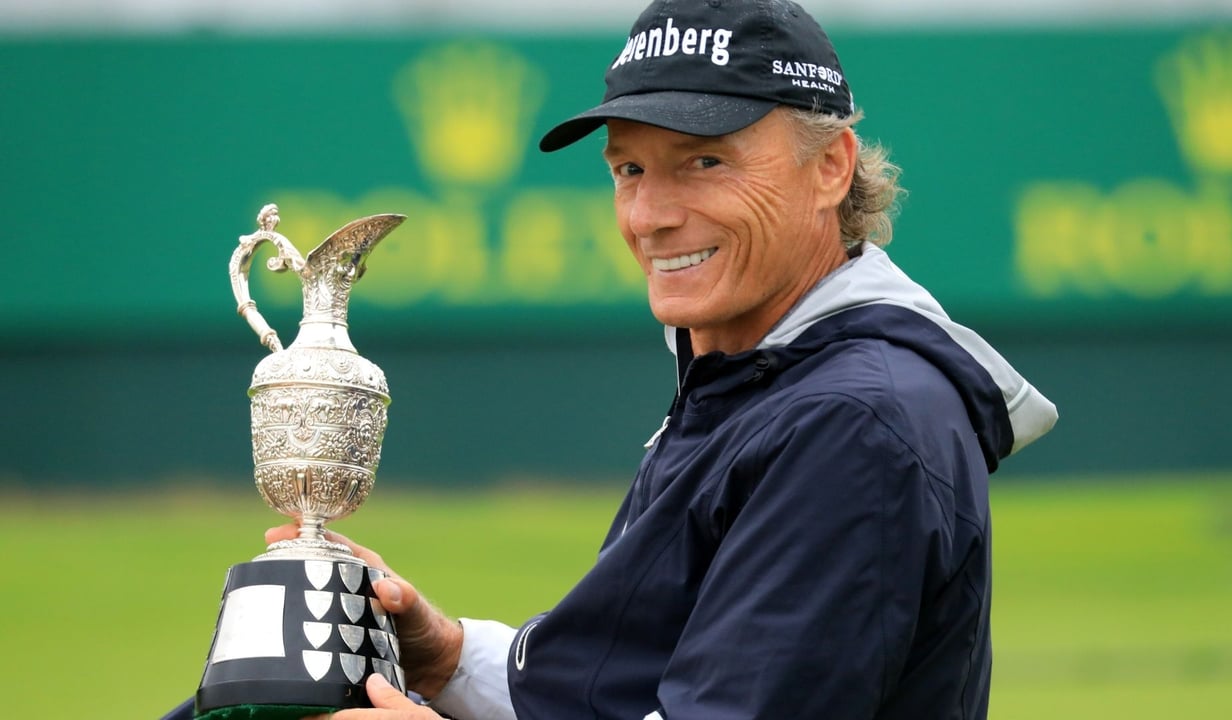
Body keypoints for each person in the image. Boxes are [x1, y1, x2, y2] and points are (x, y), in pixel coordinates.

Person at [268, 1, 1059, 718]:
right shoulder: (751, 379)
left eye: (704, 162)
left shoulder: (850, 423)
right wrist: (446, 658)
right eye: (629, 170)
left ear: (831, 167)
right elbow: (625, 686)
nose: (649, 216)